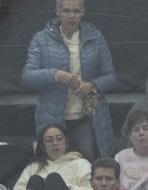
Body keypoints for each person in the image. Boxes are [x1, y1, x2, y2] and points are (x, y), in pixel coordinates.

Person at [21, 0, 117, 160]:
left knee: (87, 165)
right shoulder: (41, 39)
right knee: (54, 167)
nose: (71, 16)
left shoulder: (96, 37)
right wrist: (56, 74)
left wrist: (92, 85)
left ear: (83, 12)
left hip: (86, 118)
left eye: (76, 11)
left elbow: (111, 77)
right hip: (54, 120)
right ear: (57, 12)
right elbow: (27, 77)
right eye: (66, 11)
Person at [13, 123, 93, 190]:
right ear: (42, 146)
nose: (55, 143)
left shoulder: (81, 163)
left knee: (53, 179)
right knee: (35, 180)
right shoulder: (34, 167)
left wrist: (63, 187)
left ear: (66, 142)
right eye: (49, 140)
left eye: (59, 139)